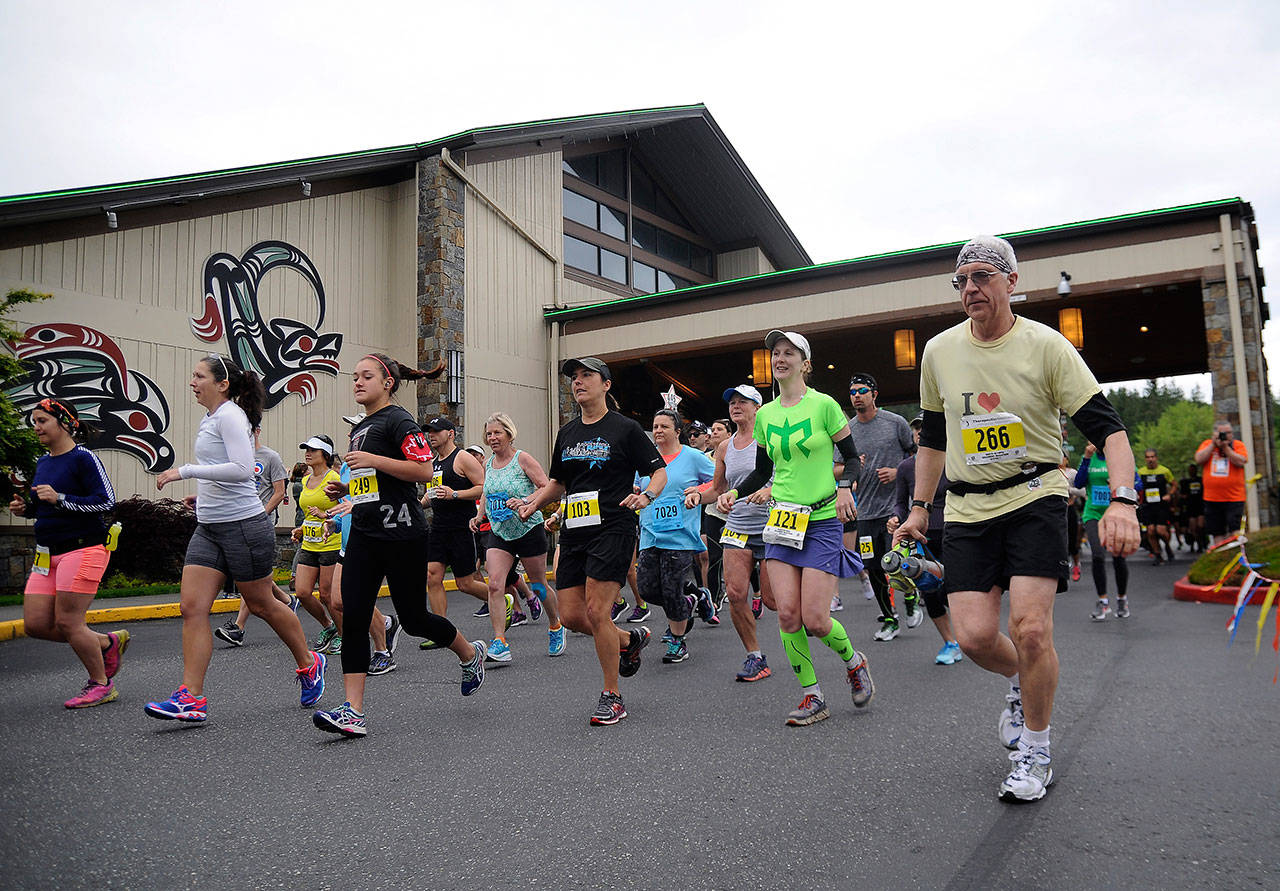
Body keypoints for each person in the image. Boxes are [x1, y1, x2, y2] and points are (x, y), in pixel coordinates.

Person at [895, 236, 1140, 803]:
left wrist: (1123, 501)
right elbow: (933, 437)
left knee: (1031, 629)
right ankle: (1017, 684)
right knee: (976, 636)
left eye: (982, 276)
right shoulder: (939, 351)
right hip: (967, 507)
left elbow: (1109, 430)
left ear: (1010, 281)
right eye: (961, 281)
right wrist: (918, 509)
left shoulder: (1046, 347)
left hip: (1035, 497)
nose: (971, 289)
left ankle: (1035, 750)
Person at [311, 354, 486, 737]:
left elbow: (423, 471)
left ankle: (470, 653)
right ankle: (352, 711)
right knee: (353, 616)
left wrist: (373, 458)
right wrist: (349, 489)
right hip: (365, 532)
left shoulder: (399, 420)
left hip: (404, 533)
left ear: (388, 382)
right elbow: (375, 482)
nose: (357, 382)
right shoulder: (362, 426)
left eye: (366, 376)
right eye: (355, 376)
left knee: (414, 618)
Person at [146, 354, 325, 723]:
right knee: (191, 608)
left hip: (243, 526)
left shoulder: (230, 415)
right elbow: (224, 470)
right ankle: (191, 697)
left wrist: (185, 471)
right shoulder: (211, 417)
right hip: (209, 527)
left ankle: (309, 663)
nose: (192, 382)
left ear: (222, 383)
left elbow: (244, 469)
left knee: (261, 605)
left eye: (199, 376)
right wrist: (205, 492)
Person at [720, 331, 874, 726]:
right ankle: (812, 695)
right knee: (787, 615)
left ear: (806, 363)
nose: (780, 358)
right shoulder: (767, 415)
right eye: (775, 353)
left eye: (789, 353)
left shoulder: (824, 406)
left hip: (822, 521)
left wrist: (843, 488)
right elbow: (762, 473)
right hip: (782, 522)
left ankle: (854, 662)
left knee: (816, 619)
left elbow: (853, 460)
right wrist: (731, 494)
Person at [516, 357, 666, 726]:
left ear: (606, 385)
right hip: (575, 530)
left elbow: (658, 471)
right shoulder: (567, 433)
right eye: (575, 377)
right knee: (570, 616)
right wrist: (533, 502)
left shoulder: (626, 428)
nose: (578, 382)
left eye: (587, 376)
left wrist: (646, 497)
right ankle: (629, 641)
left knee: (599, 611)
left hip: (613, 527)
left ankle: (612, 696)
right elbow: (558, 482)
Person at [10, 398, 126, 708]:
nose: (36, 427)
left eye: (42, 421)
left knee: (68, 622)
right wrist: (26, 509)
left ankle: (101, 684)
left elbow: (106, 502)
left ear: (65, 423)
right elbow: (44, 507)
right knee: (35, 624)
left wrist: (60, 498)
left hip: (84, 548)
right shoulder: (42, 462)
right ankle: (105, 642)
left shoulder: (83, 458)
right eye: (34, 421)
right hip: (46, 554)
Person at [688, 384, 778, 682]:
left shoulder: (773, 441)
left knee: (772, 600)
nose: (736, 406)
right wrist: (698, 497)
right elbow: (718, 489)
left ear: (757, 407)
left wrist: (769, 490)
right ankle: (755, 656)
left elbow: (790, 479)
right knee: (737, 593)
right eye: (732, 402)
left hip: (772, 527)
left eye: (743, 402)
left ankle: (808, 629)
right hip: (738, 527)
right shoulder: (725, 447)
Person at [215, 426, 327, 645]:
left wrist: (260, 514)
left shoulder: (269, 457)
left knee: (249, 573)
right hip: (237, 522)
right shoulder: (233, 457)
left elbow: (279, 492)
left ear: (256, 431)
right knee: (252, 574)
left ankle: (238, 627)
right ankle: (286, 600)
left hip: (260, 521)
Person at [473, 412, 565, 661]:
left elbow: (547, 487)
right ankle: (499, 642)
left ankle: (556, 625)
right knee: (494, 584)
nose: (492, 438)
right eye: (489, 433)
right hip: (500, 531)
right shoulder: (488, 463)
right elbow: (487, 492)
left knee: (538, 585)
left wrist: (525, 502)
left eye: (497, 433)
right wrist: (480, 516)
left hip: (527, 528)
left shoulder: (522, 459)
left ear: (509, 434)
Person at [632, 409, 714, 665]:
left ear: (678, 431)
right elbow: (637, 485)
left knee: (670, 588)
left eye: (664, 426)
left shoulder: (693, 457)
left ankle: (678, 642)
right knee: (647, 588)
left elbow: (719, 481)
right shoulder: (645, 459)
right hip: (650, 534)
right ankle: (694, 596)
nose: (657, 431)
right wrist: (634, 490)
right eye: (655, 426)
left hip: (679, 535)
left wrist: (699, 490)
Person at [843, 372, 916, 640]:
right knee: (874, 568)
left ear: (874, 394)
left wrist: (898, 472)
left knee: (897, 562)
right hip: (865, 512)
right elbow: (837, 467)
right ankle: (889, 619)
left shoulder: (895, 423)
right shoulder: (848, 430)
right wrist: (851, 468)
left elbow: (915, 458)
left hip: (894, 509)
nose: (857, 396)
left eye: (862, 390)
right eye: (852, 392)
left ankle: (909, 595)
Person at [886, 414, 962, 665]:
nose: (920, 432)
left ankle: (970, 634)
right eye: (917, 428)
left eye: (925, 428)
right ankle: (950, 642)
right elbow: (900, 502)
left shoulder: (954, 460)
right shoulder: (907, 467)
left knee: (956, 589)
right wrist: (896, 518)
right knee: (929, 590)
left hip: (955, 531)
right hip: (922, 536)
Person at [421, 417, 490, 618]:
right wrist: (418, 504)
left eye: (435, 431)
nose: (430, 435)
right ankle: (441, 629)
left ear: (450, 433)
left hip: (462, 527)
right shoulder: (433, 463)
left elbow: (483, 488)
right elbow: (432, 493)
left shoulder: (462, 458)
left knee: (465, 583)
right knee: (431, 576)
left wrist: (456, 494)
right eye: (429, 432)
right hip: (439, 528)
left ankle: (501, 599)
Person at [1074, 443, 1139, 620]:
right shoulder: (1090, 457)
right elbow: (1078, 483)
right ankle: (1103, 602)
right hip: (1093, 513)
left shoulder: (1120, 457)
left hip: (1115, 513)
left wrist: (1119, 487)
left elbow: (1137, 483)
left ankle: (1121, 599)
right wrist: (1086, 458)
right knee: (1097, 555)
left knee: (1118, 556)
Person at [1196, 421, 1248, 545]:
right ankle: (1220, 557)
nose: (1227, 435)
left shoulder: (1238, 445)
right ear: (1215, 433)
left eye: (1229, 432)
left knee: (1235, 530)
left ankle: (1237, 555)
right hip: (1212, 498)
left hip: (1234, 498)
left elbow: (1241, 461)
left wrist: (1226, 448)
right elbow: (1199, 459)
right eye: (1223, 433)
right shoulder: (1207, 444)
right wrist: (1213, 445)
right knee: (1216, 531)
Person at [1137, 449, 1177, 564]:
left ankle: (1168, 547)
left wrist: (1169, 495)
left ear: (1156, 458)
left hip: (1161, 505)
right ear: (1145, 459)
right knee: (1150, 531)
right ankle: (1157, 554)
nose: (1150, 459)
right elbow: (1136, 486)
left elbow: (1174, 484)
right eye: (1148, 457)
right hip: (1147, 505)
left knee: (1161, 531)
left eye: (1152, 457)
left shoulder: (1164, 471)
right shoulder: (1141, 472)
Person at [1178, 462, 1206, 552]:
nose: (1191, 472)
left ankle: (1202, 542)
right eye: (1190, 470)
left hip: (1200, 507)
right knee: (1193, 528)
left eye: (1193, 470)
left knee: (1200, 526)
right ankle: (1195, 543)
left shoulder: (1201, 480)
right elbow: (1182, 495)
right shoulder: (1186, 482)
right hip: (1191, 508)